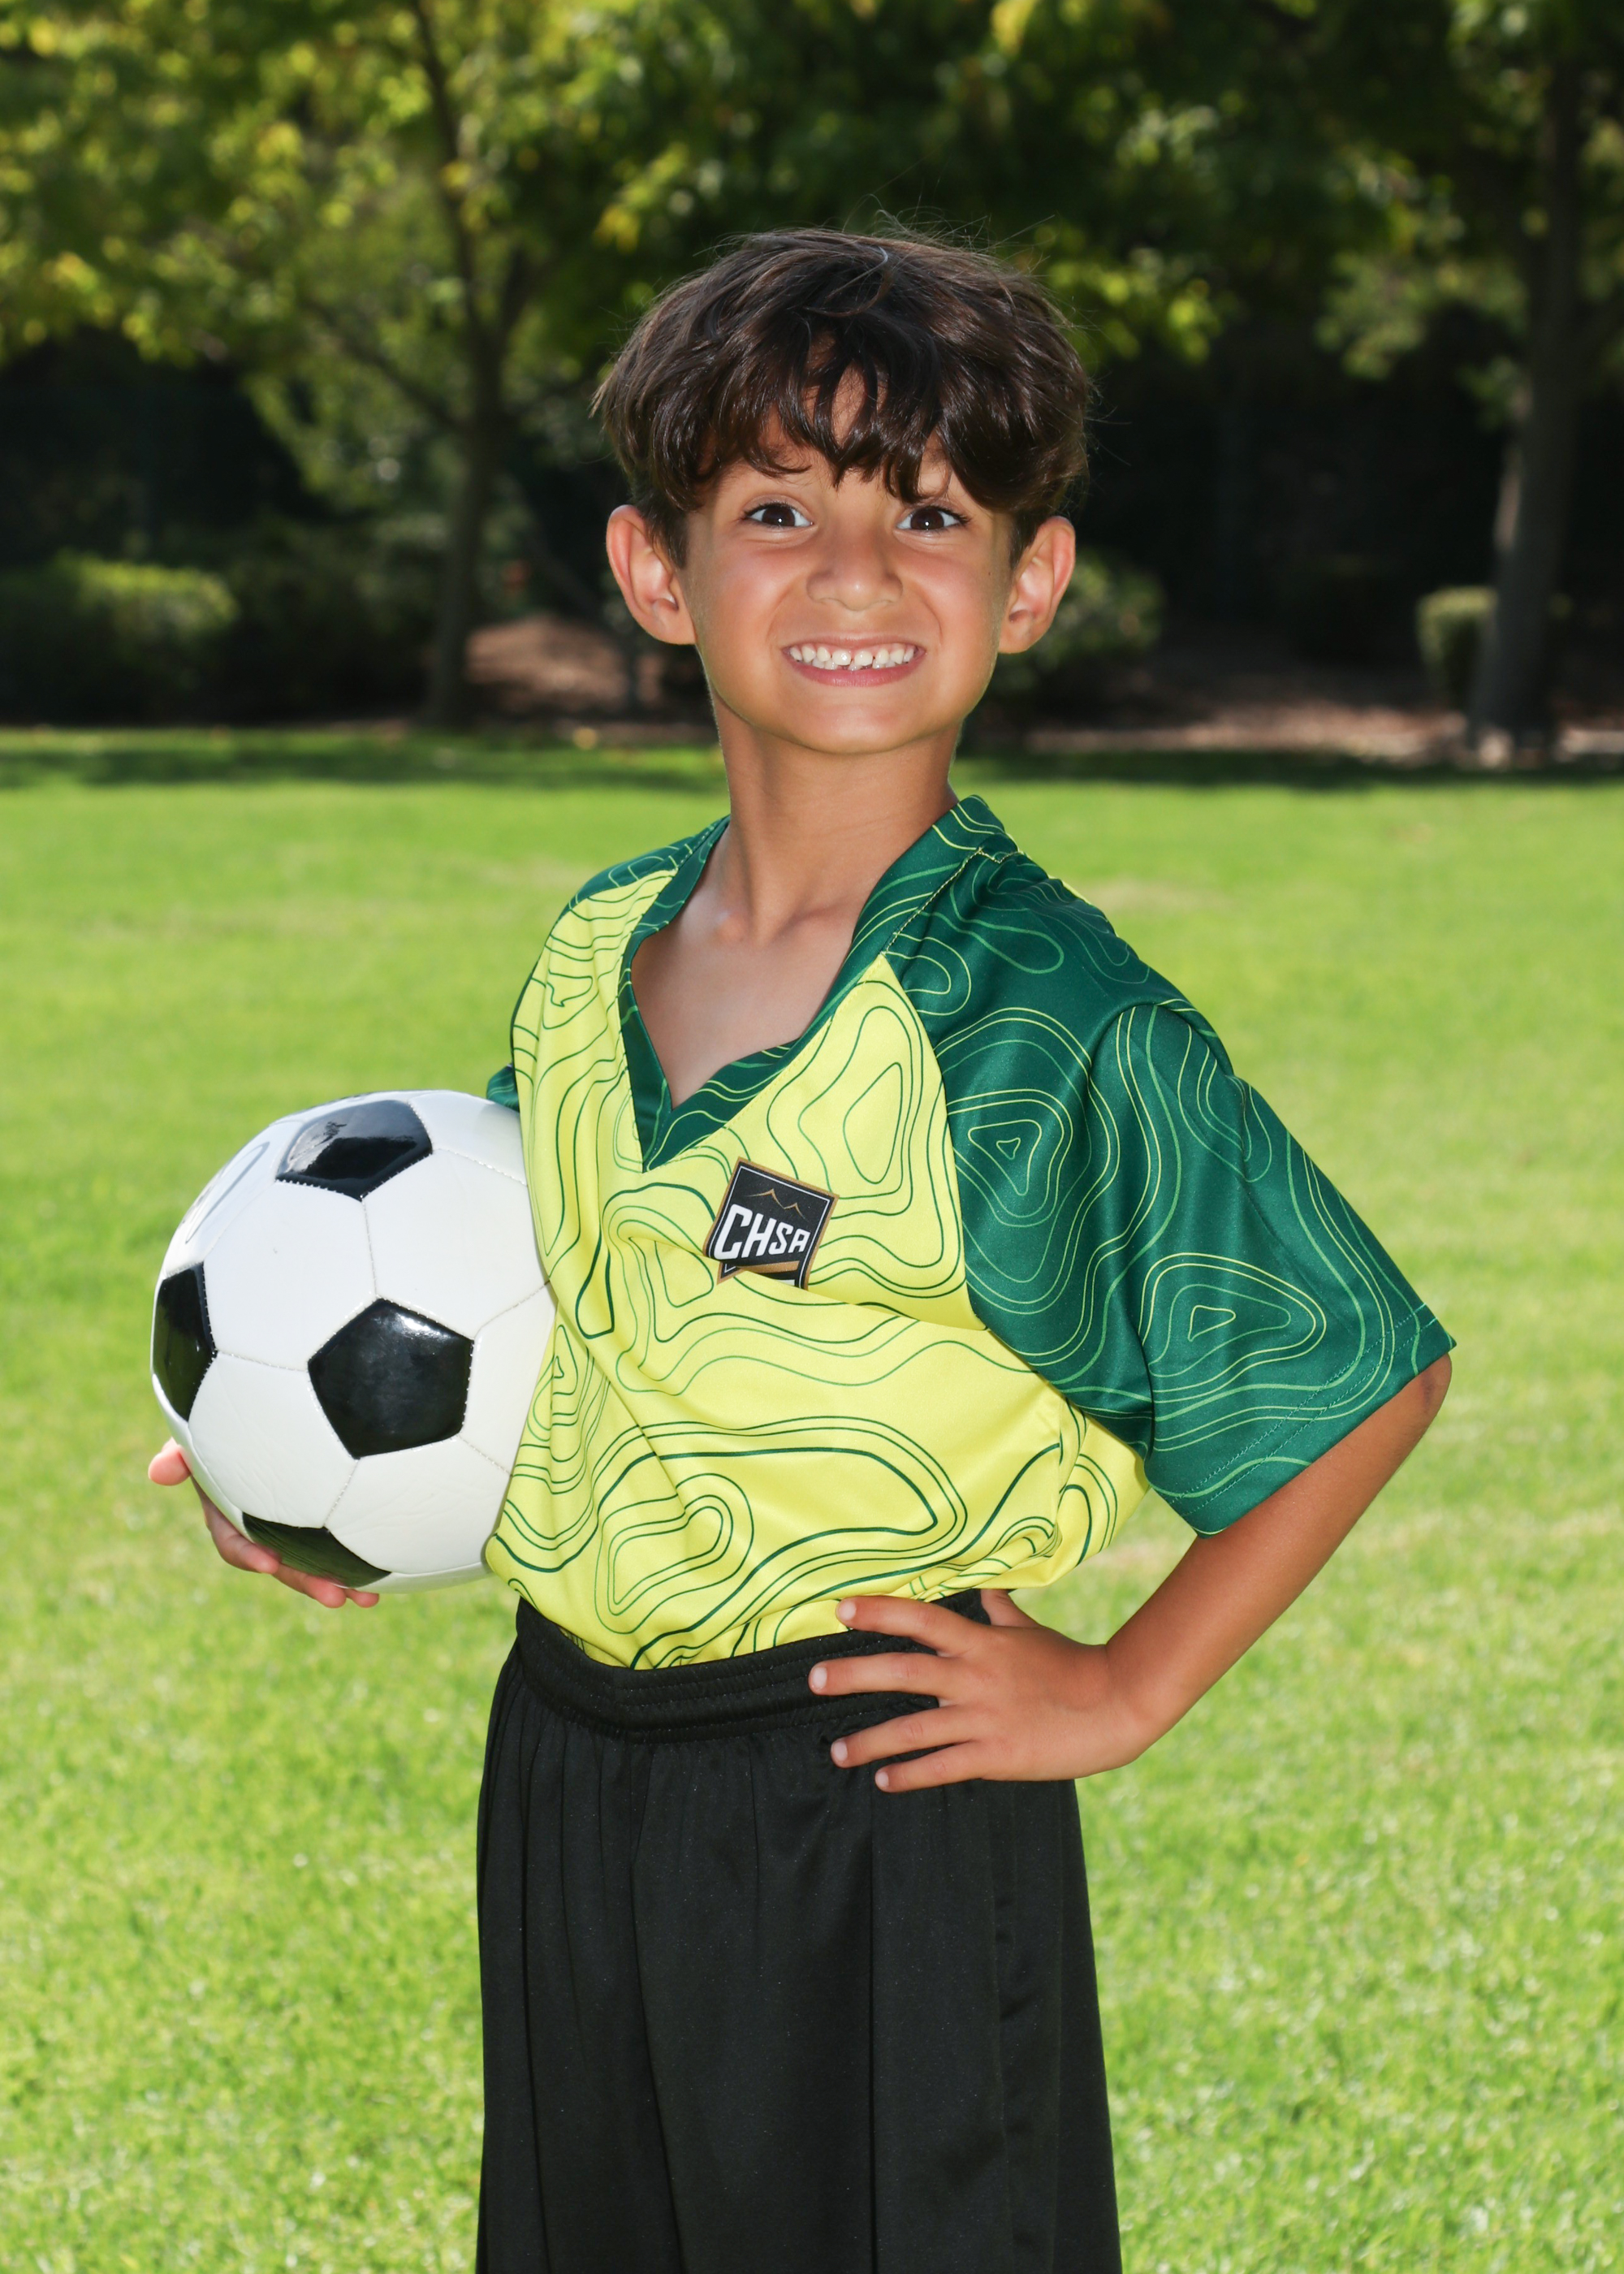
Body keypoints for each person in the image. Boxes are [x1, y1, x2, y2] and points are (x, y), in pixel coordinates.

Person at [152, 227, 1452, 2274]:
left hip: (874, 1782)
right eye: (778, 510)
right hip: (570, 1762)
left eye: (926, 515)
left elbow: (1362, 1372)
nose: (855, 574)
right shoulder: (596, 949)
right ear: (655, 569)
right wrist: (308, 1475)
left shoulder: (1036, 1020)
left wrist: (1121, 1686)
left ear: (1028, 579)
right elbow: (549, 1310)